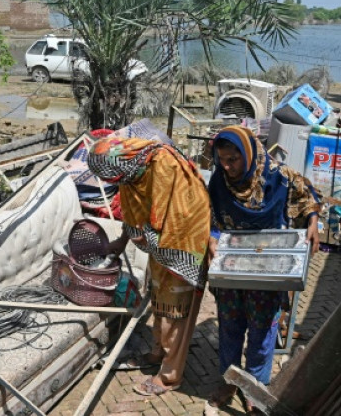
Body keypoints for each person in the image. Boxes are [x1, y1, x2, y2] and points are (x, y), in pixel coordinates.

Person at [206, 125, 321, 413]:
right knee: (230, 326)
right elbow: (210, 216)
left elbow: (307, 194)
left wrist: (313, 223)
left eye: (233, 159)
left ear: (248, 153)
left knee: (262, 329)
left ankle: (254, 386)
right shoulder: (219, 181)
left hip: (268, 263)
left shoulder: (277, 176)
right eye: (222, 159)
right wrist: (211, 237)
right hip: (232, 263)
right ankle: (229, 381)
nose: (227, 166)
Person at [87, 136, 211, 396]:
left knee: (176, 313)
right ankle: (159, 354)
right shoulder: (132, 171)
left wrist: (150, 235)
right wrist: (123, 241)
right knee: (159, 303)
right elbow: (135, 210)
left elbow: (181, 214)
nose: (117, 184)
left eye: (116, 178)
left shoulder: (165, 165)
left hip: (182, 249)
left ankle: (169, 377)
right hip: (158, 247)